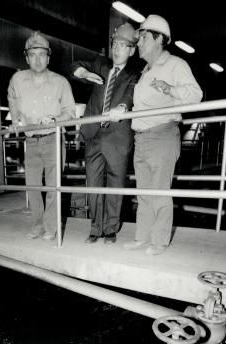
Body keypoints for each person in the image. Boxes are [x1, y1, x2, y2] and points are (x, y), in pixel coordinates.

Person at [123, 15, 203, 255]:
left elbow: (195, 94)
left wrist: (171, 89)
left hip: (162, 135)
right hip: (141, 138)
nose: (138, 43)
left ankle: (158, 241)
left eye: (143, 38)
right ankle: (142, 237)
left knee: (158, 192)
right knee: (144, 193)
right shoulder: (145, 71)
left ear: (159, 39)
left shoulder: (175, 65)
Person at [70, 22, 140, 244]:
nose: (117, 49)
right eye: (115, 44)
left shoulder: (134, 75)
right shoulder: (100, 66)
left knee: (115, 185)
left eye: (123, 45)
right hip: (93, 136)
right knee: (93, 185)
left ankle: (110, 229)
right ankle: (95, 227)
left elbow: (130, 95)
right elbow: (75, 64)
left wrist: (122, 108)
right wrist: (83, 73)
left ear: (132, 50)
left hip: (118, 138)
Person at [8, 31, 76, 241]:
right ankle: (37, 225)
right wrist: (15, 120)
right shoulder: (17, 79)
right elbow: (11, 98)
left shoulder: (61, 82)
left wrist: (56, 120)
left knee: (53, 187)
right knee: (33, 187)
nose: (37, 59)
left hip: (53, 140)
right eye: (33, 54)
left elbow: (70, 113)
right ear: (26, 57)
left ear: (49, 57)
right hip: (31, 141)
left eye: (42, 54)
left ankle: (51, 227)